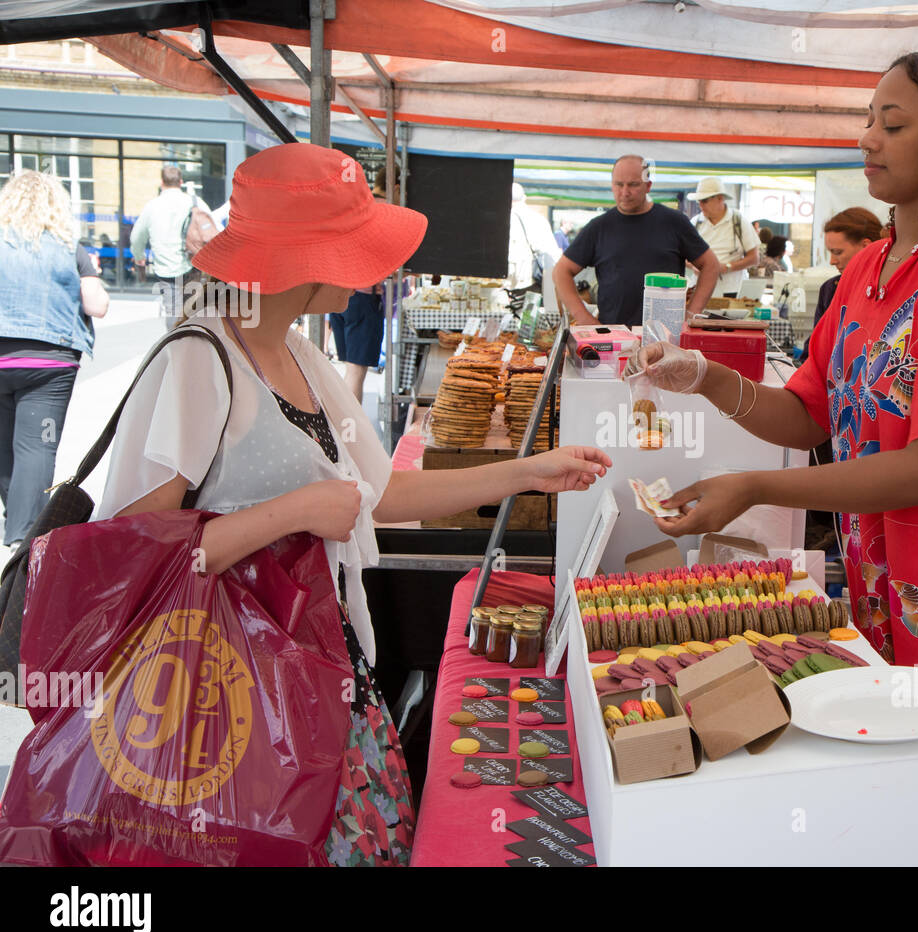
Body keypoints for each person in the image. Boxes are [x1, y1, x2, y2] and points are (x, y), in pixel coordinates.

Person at [631, 45, 918, 867]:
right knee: (908, 821)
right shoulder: (870, 271)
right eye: (867, 122)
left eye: (893, 124)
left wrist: (753, 488)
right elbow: (808, 412)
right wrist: (706, 377)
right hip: (893, 595)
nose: (869, 140)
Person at [96, 143, 612, 866]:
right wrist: (296, 510)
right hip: (228, 698)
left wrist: (530, 470)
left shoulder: (303, 356)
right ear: (307, 258)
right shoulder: (197, 358)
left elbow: (387, 495)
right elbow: (131, 555)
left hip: (318, 671)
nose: (377, 269)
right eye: (353, 246)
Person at [0, 171, 107, 551]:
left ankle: (19, 519)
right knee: (36, 448)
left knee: (5, 448)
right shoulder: (70, 249)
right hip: (51, 365)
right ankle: (23, 536)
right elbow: (98, 305)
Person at [553, 155, 721, 325]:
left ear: (648, 186)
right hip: (615, 338)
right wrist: (583, 318)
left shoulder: (674, 222)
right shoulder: (599, 227)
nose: (625, 192)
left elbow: (711, 265)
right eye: (619, 184)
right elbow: (561, 271)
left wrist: (691, 314)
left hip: (665, 337)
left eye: (633, 185)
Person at [129, 165, 211, 330]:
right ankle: (196, 344)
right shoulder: (194, 202)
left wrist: (139, 256)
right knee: (194, 309)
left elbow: (136, 237)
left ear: (162, 182)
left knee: (172, 310)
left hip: (166, 269)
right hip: (192, 266)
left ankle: (176, 345)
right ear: (180, 182)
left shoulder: (152, 206)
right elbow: (213, 227)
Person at [687, 177, 760, 298]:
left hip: (731, 291)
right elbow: (683, 256)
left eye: (704, 200)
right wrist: (694, 266)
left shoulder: (739, 221)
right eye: (698, 201)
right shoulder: (695, 223)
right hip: (699, 289)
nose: (700, 205)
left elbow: (754, 258)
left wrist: (727, 267)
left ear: (720, 198)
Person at [813, 207, 884, 323]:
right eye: (830, 252)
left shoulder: (887, 289)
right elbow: (817, 339)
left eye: (838, 252)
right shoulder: (829, 289)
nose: (832, 261)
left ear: (866, 247)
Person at [507, 183, 562, 292]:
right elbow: (552, 257)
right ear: (524, 198)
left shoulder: (496, 221)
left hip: (500, 287)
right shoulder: (538, 220)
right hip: (529, 285)